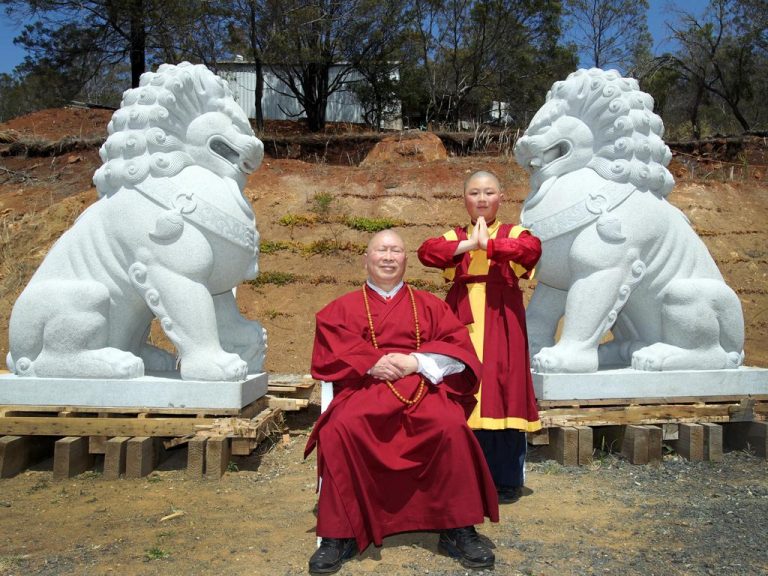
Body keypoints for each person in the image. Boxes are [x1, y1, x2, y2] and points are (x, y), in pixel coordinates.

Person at [305, 229, 498, 574]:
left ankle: (457, 528)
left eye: (396, 251)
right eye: (381, 250)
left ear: (406, 260)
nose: (389, 257)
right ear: (366, 259)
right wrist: (369, 361)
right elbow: (330, 349)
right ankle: (340, 532)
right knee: (340, 428)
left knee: (450, 426)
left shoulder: (430, 305)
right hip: (365, 388)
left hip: (422, 387)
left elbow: (458, 348)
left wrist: (418, 362)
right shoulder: (341, 308)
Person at [417, 170, 542, 504]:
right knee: (459, 387)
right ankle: (463, 473)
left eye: (489, 192)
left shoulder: (516, 232)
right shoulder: (455, 235)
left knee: (504, 389)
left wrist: (491, 245)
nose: (482, 199)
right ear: (465, 199)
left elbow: (530, 251)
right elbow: (427, 252)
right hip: (460, 323)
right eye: (474, 193)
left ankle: (506, 478)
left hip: (502, 321)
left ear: (501, 197)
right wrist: (471, 244)